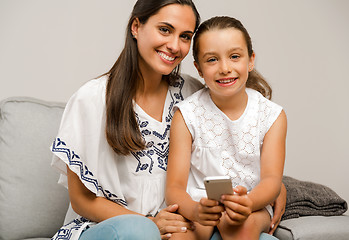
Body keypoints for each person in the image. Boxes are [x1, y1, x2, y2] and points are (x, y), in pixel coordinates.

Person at [49, 0, 285, 239]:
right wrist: (150, 223)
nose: (174, 45)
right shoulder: (91, 99)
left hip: (179, 225)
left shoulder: (193, 94)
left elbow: (233, 153)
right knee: (139, 232)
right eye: (165, 29)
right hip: (114, 228)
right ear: (136, 27)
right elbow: (81, 200)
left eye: (185, 36)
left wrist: (274, 188)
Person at [166, 16, 287, 240]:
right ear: (199, 69)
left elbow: (272, 180)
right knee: (179, 235)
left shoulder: (272, 116)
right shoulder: (186, 114)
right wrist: (195, 211)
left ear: (250, 60)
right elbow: (174, 187)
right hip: (199, 203)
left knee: (237, 225)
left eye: (234, 57)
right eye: (212, 60)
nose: (224, 68)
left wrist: (248, 202)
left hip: (251, 203)